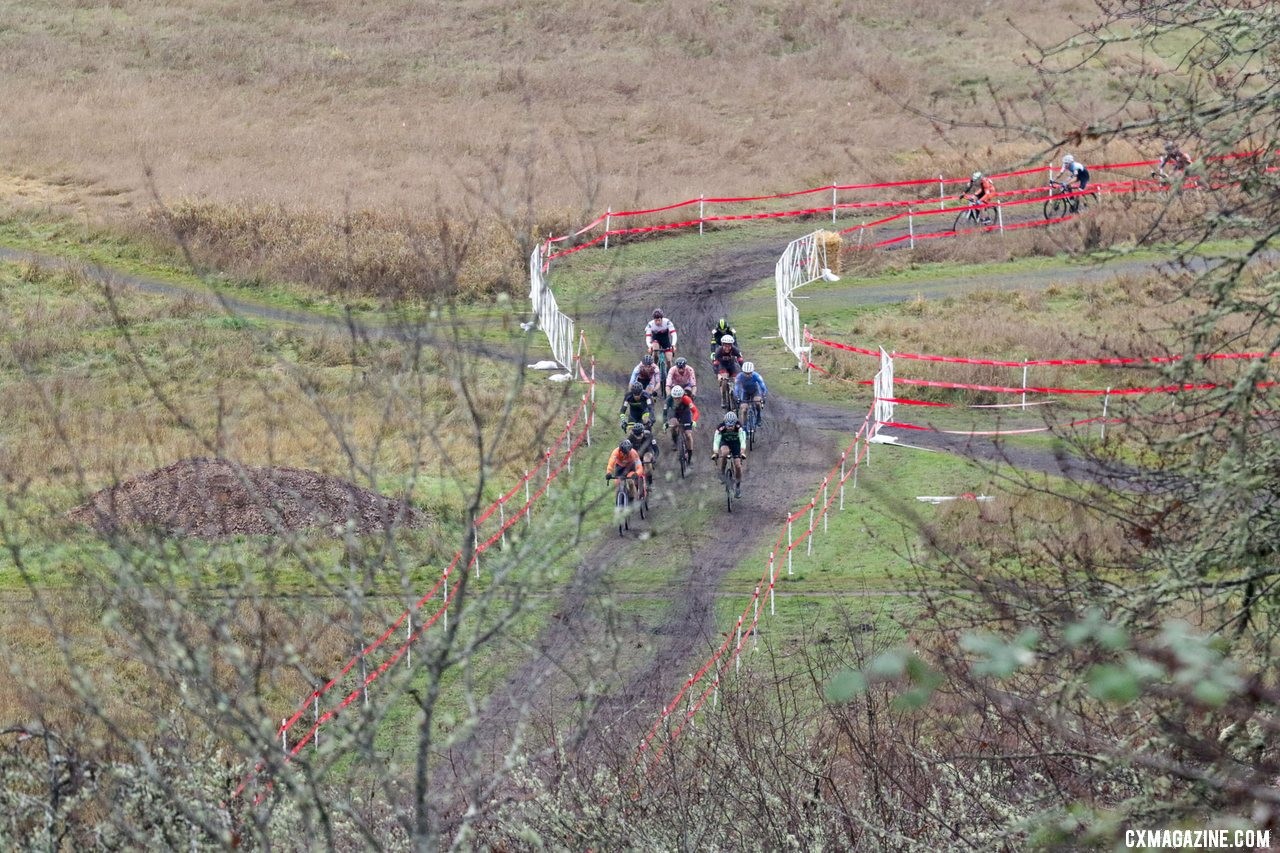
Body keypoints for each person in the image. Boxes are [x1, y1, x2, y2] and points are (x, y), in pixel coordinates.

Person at [711, 412, 747, 498]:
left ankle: (738, 487)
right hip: (725, 442)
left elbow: (742, 440)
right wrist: (715, 452)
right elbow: (716, 441)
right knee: (724, 453)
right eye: (728, 426)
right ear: (725, 423)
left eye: (732, 426)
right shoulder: (720, 428)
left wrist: (742, 452)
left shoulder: (739, 428)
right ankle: (722, 472)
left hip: (736, 444)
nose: (730, 428)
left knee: (738, 465)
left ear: (735, 423)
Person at [710, 334, 743, 409]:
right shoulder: (719, 351)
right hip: (722, 366)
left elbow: (740, 359)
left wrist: (743, 368)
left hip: (732, 366)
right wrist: (718, 374)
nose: (727, 348)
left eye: (729, 346)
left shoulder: (734, 350)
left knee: (737, 381)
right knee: (724, 380)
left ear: (731, 345)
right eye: (725, 346)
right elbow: (715, 364)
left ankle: (738, 396)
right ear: (722, 345)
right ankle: (724, 399)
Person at [665, 385, 700, 453]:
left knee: (688, 435)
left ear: (682, 396)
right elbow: (665, 413)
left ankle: (690, 454)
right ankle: (675, 442)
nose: (677, 400)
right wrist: (665, 423)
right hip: (674, 413)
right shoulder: (669, 400)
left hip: (685, 413)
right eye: (675, 398)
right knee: (673, 426)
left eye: (679, 398)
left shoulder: (686, 399)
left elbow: (695, 411)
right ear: (672, 397)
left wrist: (694, 421)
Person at [628, 420, 659, 486]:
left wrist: (655, 458)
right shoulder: (631, 437)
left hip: (647, 452)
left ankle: (650, 482)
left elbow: (656, 449)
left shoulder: (648, 435)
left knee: (646, 460)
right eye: (636, 435)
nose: (638, 437)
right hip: (637, 454)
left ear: (643, 432)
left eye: (640, 434)